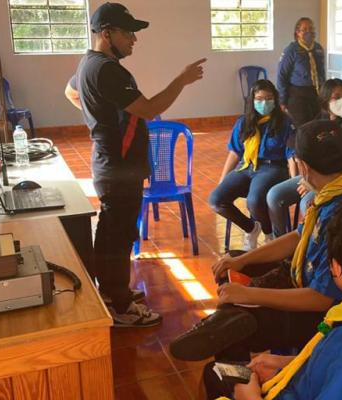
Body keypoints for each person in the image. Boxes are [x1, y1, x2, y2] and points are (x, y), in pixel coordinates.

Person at [168, 120, 342, 365]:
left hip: (324, 317)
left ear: (303, 166)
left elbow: (321, 298)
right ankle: (225, 322)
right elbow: (298, 237)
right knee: (234, 264)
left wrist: (250, 294)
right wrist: (242, 260)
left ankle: (234, 364)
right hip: (302, 277)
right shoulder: (336, 188)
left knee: (238, 324)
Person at [64, 2, 205, 327]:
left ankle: (112, 292)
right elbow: (150, 108)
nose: (134, 39)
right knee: (118, 235)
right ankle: (120, 307)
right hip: (119, 167)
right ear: (107, 33)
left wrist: (99, 116)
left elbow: (70, 93)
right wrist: (181, 80)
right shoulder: (107, 70)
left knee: (114, 231)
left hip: (111, 164)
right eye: (128, 33)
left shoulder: (88, 63)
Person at [201, 202, 342, 400]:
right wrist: (289, 363)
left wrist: (249, 396)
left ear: (335, 267)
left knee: (215, 374)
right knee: (223, 372)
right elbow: (331, 363)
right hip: (309, 381)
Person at [267, 78, 342, 238]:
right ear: (325, 101)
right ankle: (280, 242)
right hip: (315, 173)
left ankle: (314, 245)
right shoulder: (322, 118)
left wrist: (315, 181)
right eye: (336, 97)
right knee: (274, 195)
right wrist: (306, 172)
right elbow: (301, 138)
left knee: (307, 203)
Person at [208, 80, 295, 250]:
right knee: (216, 200)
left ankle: (269, 235)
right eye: (259, 99)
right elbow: (235, 152)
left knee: (254, 201)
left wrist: (294, 180)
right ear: (252, 101)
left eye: (269, 98)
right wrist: (222, 179)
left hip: (272, 167)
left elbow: (291, 155)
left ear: (275, 99)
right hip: (246, 166)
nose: (264, 103)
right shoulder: (244, 122)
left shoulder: (284, 122)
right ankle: (251, 228)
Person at [277, 17, 325, 128]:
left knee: (317, 125)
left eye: (311, 29)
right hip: (298, 95)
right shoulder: (291, 50)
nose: (309, 32)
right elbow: (282, 76)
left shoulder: (318, 49)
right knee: (302, 127)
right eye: (305, 29)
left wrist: (324, 94)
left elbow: (321, 73)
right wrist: (282, 101)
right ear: (297, 33)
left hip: (316, 93)